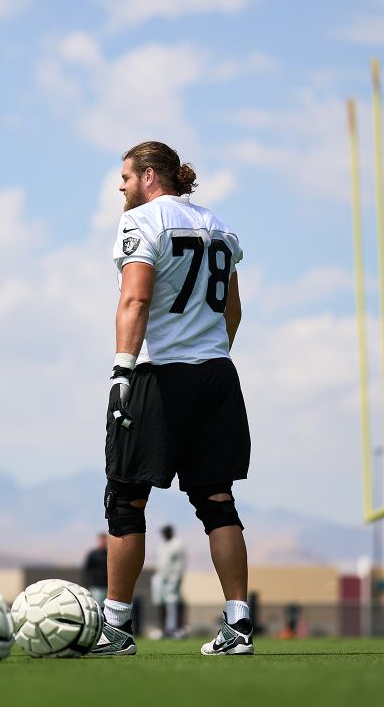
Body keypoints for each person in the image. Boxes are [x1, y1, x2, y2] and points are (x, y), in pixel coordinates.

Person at [93, 141, 254, 657]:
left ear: (149, 175)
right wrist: (207, 355)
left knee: (126, 497)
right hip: (217, 374)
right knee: (217, 500)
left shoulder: (143, 221)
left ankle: (116, 627)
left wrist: (121, 369)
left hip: (160, 376)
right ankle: (238, 623)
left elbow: (135, 297)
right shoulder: (219, 224)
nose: (120, 186)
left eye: (125, 176)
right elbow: (232, 311)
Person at [152, 525, 187, 638]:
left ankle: (178, 629)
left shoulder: (178, 543)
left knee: (174, 602)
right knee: (160, 601)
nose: (163, 534)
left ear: (171, 532)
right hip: (161, 576)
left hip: (173, 577)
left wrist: (177, 576)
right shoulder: (162, 544)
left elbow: (181, 562)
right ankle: (163, 629)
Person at [82, 533, 109, 605]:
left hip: (107, 587)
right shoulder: (93, 554)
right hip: (96, 587)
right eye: (102, 540)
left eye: (105, 540)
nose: (103, 542)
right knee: (97, 607)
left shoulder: (109, 554)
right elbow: (87, 570)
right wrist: (86, 585)